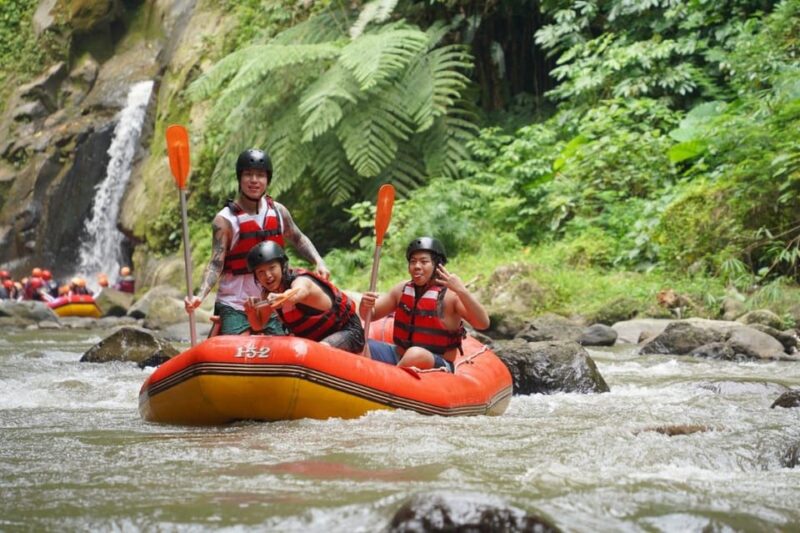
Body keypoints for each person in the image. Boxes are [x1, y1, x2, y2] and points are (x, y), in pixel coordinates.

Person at [184, 148, 330, 336]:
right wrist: (200, 296)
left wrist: (319, 261)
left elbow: (298, 238)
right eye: (248, 174)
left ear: (267, 180)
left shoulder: (278, 211)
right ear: (239, 178)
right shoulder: (225, 221)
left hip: (273, 300)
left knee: (282, 349)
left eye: (260, 175)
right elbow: (215, 263)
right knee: (238, 350)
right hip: (235, 302)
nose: (254, 180)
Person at [358, 237, 490, 372]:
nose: (417, 266)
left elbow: (483, 323)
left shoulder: (451, 296)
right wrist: (364, 305)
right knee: (358, 342)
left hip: (435, 362)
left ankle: (387, 383)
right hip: (398, 355)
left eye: (424, 262)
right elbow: (370, 316)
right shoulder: (401, 289)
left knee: (415, 354)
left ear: (437, 265)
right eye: (413, 261)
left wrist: (462, 290)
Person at [242, 241, 364, 353]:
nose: (267, 275)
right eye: (260, 272)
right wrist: (251, 312)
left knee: (318, 351)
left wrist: (283, 297)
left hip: (348, 331)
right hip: (314, 340)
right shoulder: (268, 294)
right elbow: (258, 325)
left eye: (272, 268)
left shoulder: (301, 281)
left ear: (282, 266)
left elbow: (299, 293)